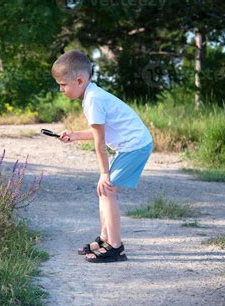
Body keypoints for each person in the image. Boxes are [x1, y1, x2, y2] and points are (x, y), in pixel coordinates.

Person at [52, 50, 153, 263]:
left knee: (106, 189)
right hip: (132, 145)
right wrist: (75, 135)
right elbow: (101, 133)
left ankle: (116, 247)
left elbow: (100, 143)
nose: (60, 89)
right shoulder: (92, 95)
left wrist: (104, 173)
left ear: (79, 80)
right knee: (104, 192)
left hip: (135, 146)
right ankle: (106, 239)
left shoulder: (93, 100)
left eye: (63, 84)